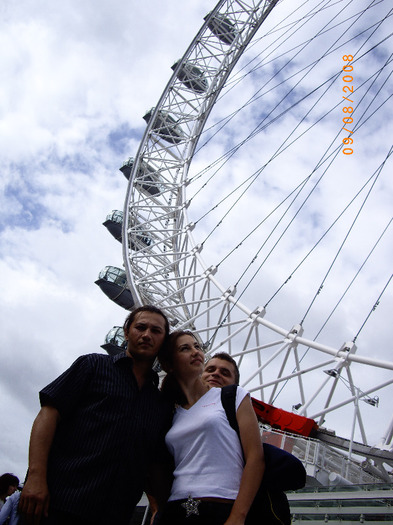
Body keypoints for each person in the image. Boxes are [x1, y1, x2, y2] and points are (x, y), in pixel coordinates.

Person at [19, 305, 173, 525]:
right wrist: (35, 476)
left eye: (156, 331)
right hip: (57, 503)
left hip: (113, 515)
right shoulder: (93, 365)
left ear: (164, 341)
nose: (147, 335)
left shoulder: (160, 404)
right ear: (127, 331)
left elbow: (153, 464)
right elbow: (49, 413)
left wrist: (162, 506)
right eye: (141, 327)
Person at [158, 330, 265, 525]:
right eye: (185, 348)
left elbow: (256, 458)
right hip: (175, 507)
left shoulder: (234, 397)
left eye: (197, 346)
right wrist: (157, 507)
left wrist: (237, 517)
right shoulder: (171, 411)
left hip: (220, 506)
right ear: (169, 364)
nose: (195, 351)